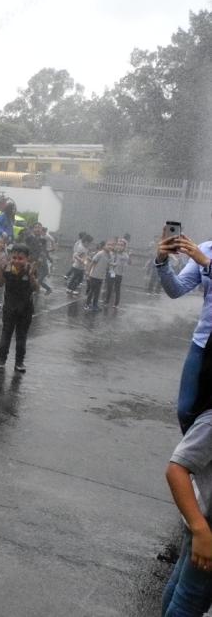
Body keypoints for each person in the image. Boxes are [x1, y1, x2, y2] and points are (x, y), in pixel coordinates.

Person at [155, 230, 212, 432]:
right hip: (203, 343)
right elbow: (176, 289)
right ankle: (195, 459)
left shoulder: (203, 255)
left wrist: (207, 263)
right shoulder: (205, 249)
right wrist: (162, 261)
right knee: (186, 410)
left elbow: (206, 262)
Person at [162, 397, 212, 616]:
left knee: (184, 589)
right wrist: (200, 529)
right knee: (190, 598)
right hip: (207, 528)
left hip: (201, 524)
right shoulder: (210, 423)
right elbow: (176, 470)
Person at [0, 243, 39, 373]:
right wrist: (0, 271)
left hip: (25, 309)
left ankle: (19, 362)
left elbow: (37, 288)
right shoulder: (7, 269)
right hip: (9, 307)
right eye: (14, 258)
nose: (16, 261)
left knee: (21, 336)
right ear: (10, 257)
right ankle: (1, 360)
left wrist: (31, 276)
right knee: (6, 334)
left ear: (27, 259)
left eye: (20, 259)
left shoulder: (31, 269)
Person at [85, 239, 113, 312]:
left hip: (101, 277)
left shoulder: (109, 255)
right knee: (92, 291)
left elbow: (108, 265)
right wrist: (88, 271)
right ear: (104, 246)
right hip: (94, 275)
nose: (110, 246)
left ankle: (95, 305)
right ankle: (87, 304)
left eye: (112, 245)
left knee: (97, 292)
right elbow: (92, 262)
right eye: (108, 245)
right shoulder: (100, 253)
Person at [104, 238, 130, 307]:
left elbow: (125, 264)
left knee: (117, 288)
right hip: (112, 272)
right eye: (118, 244)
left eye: (121, 245)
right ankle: (106, 301)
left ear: (124, 247)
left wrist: (119, 259)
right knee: (109, 287)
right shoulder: (113, 252)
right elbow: (108, 259)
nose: (119, 246)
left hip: (119, 274)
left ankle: (116, 303)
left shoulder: (125, 255)